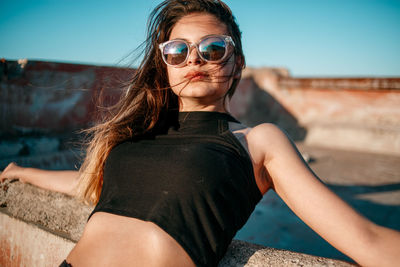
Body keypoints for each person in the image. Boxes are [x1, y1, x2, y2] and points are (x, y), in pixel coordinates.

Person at [1, 0, 400, 266]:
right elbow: (95, 186)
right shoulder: (139, 133)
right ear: (166, 65)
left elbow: (366, 238)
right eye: (177, 50)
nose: (193, 59)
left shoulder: (257, 141)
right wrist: (21, 171)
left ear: (237, 62)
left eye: (212, 49)